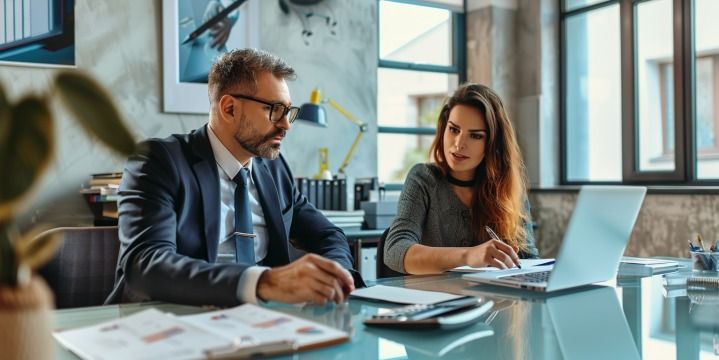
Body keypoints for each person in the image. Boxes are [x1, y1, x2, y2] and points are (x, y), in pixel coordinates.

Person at [106, 48, 363, 307]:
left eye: (288, 111)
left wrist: (334, 278)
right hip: (169, 323)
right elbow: (146, 266)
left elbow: (328, 235)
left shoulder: (273, 168)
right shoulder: (158, 162)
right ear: (229, 108)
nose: (285, 124)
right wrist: (264, 282)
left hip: (263, 324)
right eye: (274, 110)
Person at [383, 83, 539, 275]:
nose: (459, 144)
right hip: (437, 300)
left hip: (494, 300)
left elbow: (529, 260)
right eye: (454, 130)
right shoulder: (423, 179)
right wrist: (468, 256)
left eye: (475, 136)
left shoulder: (507, 187)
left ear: (492, 144)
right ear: (443, 128)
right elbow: (394, 250)